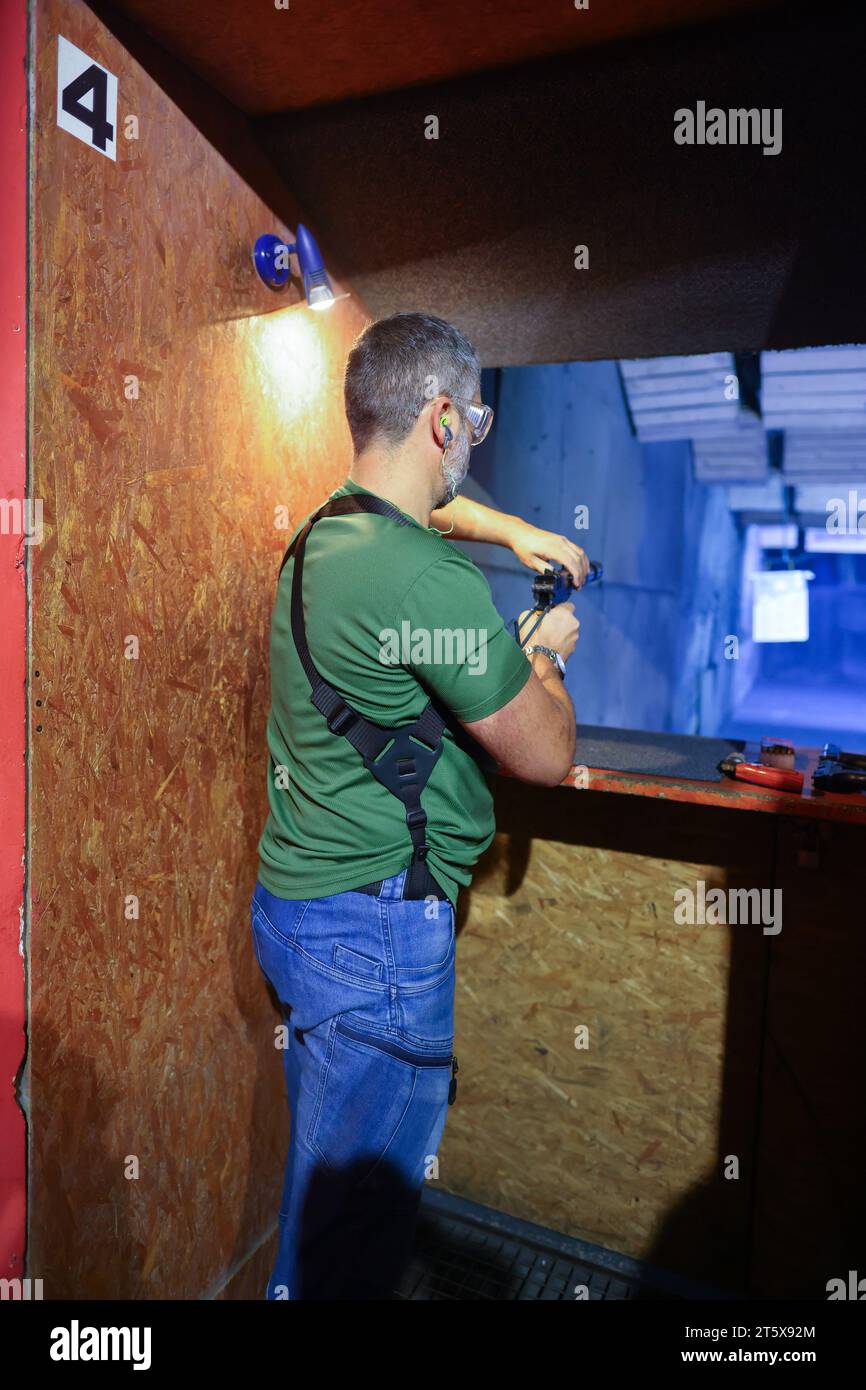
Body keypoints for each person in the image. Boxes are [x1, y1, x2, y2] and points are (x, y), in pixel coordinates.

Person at [251, 311, 584, 1299]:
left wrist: (514, 528)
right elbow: (544, 755)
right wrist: (545, 651)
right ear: (440, 419)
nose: (474, 437)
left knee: (319, 1200)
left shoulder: (330, 534)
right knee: (348, 1250)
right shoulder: (426, 585)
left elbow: (424, 514)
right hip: (376, 941)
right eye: (471, 420)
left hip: (301, 910)